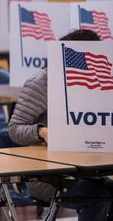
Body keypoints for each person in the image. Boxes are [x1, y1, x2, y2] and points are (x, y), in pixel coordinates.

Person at [9, 29, 112, 221]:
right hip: (47, 175)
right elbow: (14, 129)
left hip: (89, 168)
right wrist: (41, 132)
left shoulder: (101, 83)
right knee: (98, 195)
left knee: (104, 191)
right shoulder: (41, 83)